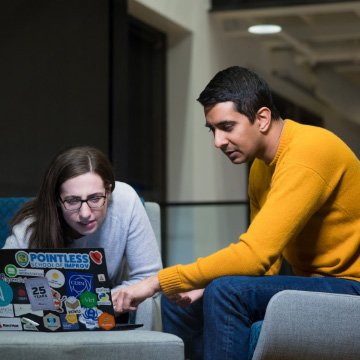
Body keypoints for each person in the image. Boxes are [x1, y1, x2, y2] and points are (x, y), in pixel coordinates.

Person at [112, 66, 360, 359]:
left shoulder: (309, 153)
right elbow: (267, 262)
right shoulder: (260, 168)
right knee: (179, 303)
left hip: (350, 287)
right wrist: (198, 288)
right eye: (213, 130)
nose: (218, 141)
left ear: (263, 118)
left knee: (225, 291)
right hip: (314, 284)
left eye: (227, 127)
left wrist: (155, 281)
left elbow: (252, 256)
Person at [3, 145, 162, 329]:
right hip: (47, 323)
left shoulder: (125, 201)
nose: (85, 213)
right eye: (72, 201)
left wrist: (101, 302)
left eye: (95, 198)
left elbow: (149, 276)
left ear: (109, 192)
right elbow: (6, 289)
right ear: (56, 199)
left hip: (111, 314)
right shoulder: (29, 228)